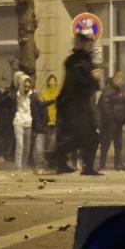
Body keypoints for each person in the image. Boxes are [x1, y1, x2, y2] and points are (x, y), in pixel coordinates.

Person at [47, 32, 102, 175]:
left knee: (89, 136)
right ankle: (57, 156)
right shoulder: (75, 61)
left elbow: (93, 87)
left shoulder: (85, 60)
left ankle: (63, 159)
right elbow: (79, 83)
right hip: (74, 105)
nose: (91, 45)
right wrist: (93, 77)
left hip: (80, 104)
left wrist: (95, 79)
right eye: (88, 42)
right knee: (83, 136)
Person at [98, 71, 125, 171]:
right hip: (110, 122)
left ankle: (118, 164)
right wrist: (111, 118)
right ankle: (102, 164)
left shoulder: (121, 90)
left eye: (122, 78)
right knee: (106, 144)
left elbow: (123, 105)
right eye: (119, 78)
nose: (121, 80)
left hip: (118, 122)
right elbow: (105, 105)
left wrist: (122, 118)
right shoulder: (108, 89)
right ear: (115, 78)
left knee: (118, 144)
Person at [12, 72, 36, 170]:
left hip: (29, 122)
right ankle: (18, 166)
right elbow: (15, 77)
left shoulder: (33, 95)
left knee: (27, 146)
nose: (27, 85)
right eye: (25, 83)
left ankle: (24, 165)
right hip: (18, 121)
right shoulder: (16, 94)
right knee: (20, 144)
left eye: (29, 83)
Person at [40, 74, 60, 152]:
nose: (52, 82)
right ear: (48, 82)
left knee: (54, 139)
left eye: (53, 80)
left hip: (57, 119)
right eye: (50, 80)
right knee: (47, 139)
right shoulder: (45, 93)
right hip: (47, 119)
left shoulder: (59, 92)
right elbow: (42, 104)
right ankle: (48, 158)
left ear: (56, 82)